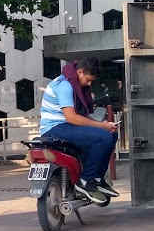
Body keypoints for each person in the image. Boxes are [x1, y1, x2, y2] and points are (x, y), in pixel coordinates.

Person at [39, 57, 118, 203]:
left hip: (65, 126)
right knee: (104, 137)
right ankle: (86, 180)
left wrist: (105, 125)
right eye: (88, 80)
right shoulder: (65, 86)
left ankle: (97, 179)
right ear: (80, 72)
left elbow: (80, 117)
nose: (89, 84)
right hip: (55, 129)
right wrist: (101, 126)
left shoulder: (73, 84)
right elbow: (72, 118)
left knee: (111, 134)